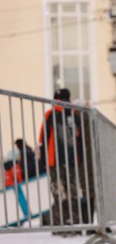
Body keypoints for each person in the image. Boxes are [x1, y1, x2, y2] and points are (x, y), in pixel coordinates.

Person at [39, 88, 82, 229]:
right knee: (73, 192)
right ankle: (75, 223)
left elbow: (43, 138)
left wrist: (43, 161)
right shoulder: (74, 114)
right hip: (72, 160)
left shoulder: (50, 114)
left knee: (58, 193)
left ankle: (59, 225)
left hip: (55, 161)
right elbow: (79, 139)